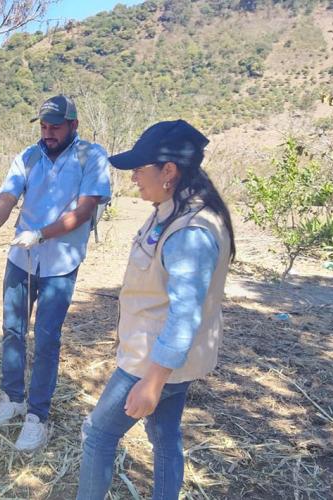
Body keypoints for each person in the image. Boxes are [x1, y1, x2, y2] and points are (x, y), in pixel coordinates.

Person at [76, 120, 236, 499]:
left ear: (169, 170)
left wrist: (152, 381)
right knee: (164, 436)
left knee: (98, 435)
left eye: (139, 168)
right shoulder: (172, 208)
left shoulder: (190, 231)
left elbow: (185, 315)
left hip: (151, 361)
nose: (133, 177)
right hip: (164, 359)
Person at [0, 94, 112, 452]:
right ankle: (12, 397)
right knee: (12, 330)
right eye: (43, 126)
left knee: (46, 339)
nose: (48, 133)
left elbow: (85, 208)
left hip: (60, 262)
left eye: (55, 126)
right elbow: (6, 201)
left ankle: (37, 416)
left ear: (73, 125)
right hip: (21, 259)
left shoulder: (92, 157)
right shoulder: (28, 157)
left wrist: (42, 233)